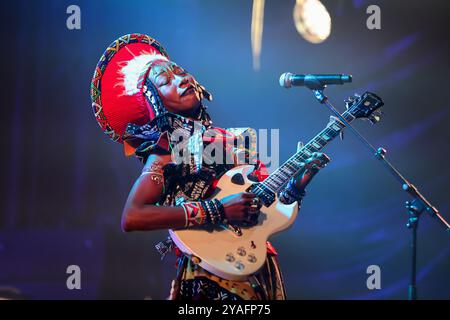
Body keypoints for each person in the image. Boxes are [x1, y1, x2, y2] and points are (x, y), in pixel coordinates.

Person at [91, 33, 330, 300]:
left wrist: (296, 187)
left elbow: (269, 210)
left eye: (182, 73)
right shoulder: (169, 147)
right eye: (166, 81)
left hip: (259, 265)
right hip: (210, 276)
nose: (181, 79)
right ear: (154, 101)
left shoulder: (240, 140)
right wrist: (218, 210)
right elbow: (132, 216)